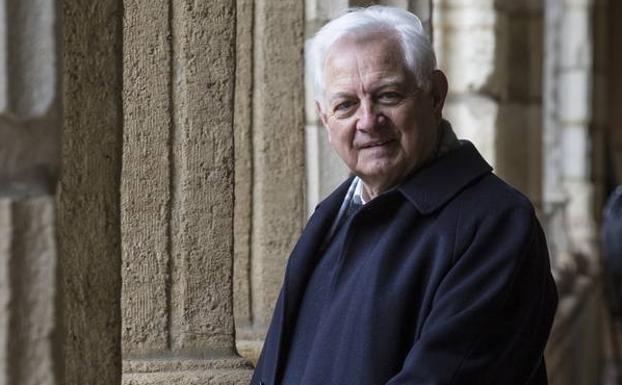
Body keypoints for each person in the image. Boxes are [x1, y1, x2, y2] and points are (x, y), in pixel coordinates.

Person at [251, 6, 558, 385]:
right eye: (346, 104)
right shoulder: (329, 219)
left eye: (388, 96)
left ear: (434, 95)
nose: (367, 120)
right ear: (324, 118)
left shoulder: (498, 224)